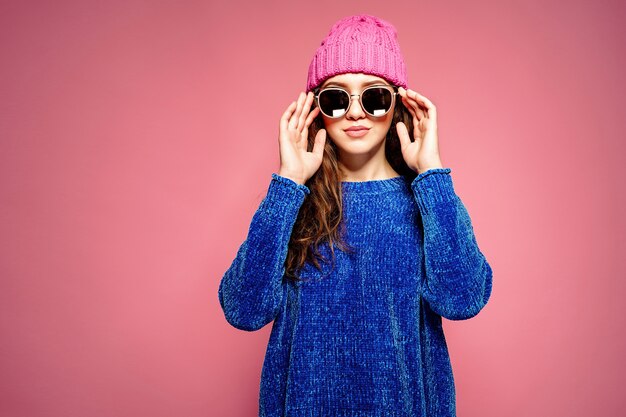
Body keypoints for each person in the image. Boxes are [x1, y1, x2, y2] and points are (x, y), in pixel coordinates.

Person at [218, 14, 493, 417]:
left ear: (399, 103)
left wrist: (432, 173)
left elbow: (464, 299)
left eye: (374, 96)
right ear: (315, 110)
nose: (355, 113)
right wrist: (287, 182)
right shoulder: (292, 202)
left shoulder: (430, 200)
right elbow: (243, 310)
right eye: (336, 97)